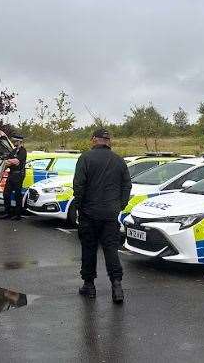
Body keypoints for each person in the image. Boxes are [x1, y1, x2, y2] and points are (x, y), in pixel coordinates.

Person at [71, 128, 132, 303]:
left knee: (89, 249)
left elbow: (79, 186)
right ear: (108, 141)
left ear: (93, 140)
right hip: (110, 214)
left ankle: (89, 285)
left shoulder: (85, 158)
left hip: (89, 213)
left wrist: (80, 207)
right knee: (111, 249)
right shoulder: (119, 160)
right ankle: (117, 285)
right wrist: (120, 205)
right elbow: (127, 186)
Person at [0, 134, 27, 221]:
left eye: (15, 141)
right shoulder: (13, 151)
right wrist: (11, 161)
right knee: (6, 193)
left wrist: (11, 161)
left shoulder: (23, 151)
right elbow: (7, 162)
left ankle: (18, 215)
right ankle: (8, 213)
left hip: (19, 174)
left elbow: (17, 161)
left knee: (17, 195)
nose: (14, 142)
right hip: (11, 174)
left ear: (19, 141)